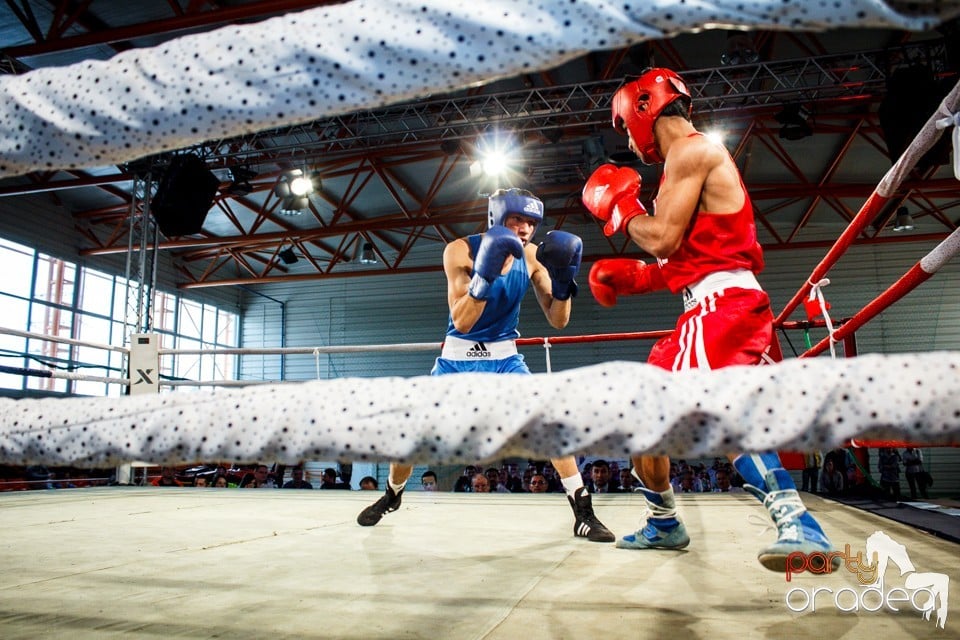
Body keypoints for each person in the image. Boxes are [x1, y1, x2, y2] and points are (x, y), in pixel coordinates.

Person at [582, 67, 838, 570]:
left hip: (725, 310)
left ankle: (801, 527)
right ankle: (663, 522)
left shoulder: (694, 151)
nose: (630, 145)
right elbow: (682, 263)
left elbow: (663, 239)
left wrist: (622, 209)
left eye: (624, 129)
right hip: (709, 307)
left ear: (642, 110)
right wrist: (629, 277)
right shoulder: (683, 162)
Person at [357, 187, 614, 542]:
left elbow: (558, 320)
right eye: (516, 219)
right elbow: (462, 321)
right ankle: (392, 494)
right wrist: (486, 274)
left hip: (505, 358)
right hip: (457, 359)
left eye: (531, 222)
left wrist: (564, 284)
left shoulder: (534, 256)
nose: (524, 228)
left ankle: (583, 513)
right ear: (497, 218)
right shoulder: (460, 250)